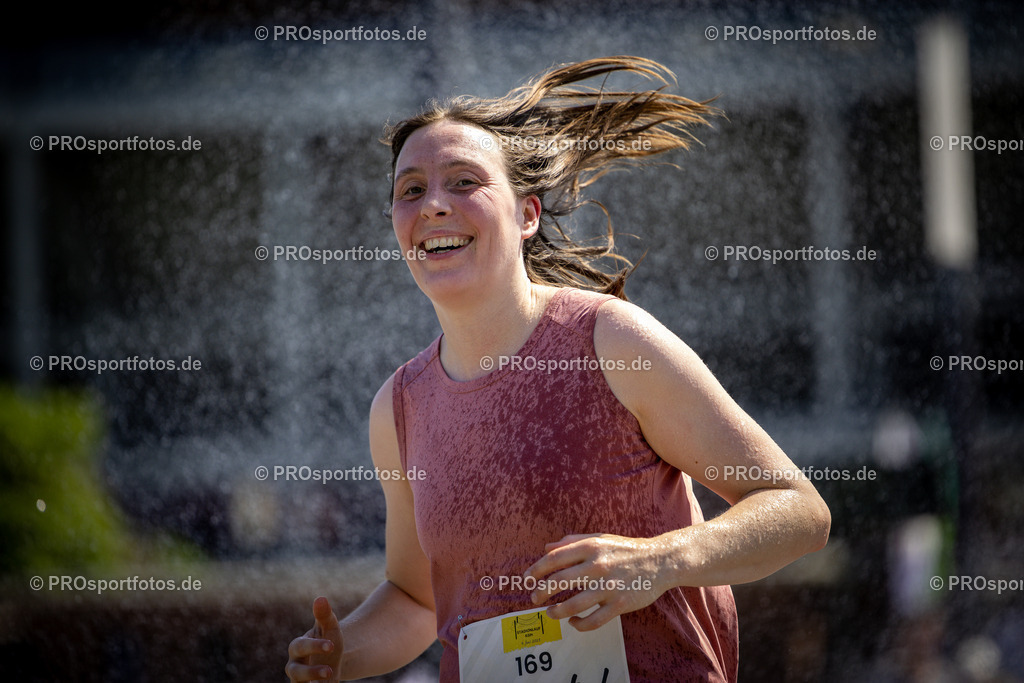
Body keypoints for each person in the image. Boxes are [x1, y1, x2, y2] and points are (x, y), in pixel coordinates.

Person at [286, 56, 830, 682]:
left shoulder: (610, 340)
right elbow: (417, 600)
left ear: (527, 215)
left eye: (464, 181)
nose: (433, 203)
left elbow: (799, 511)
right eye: (411, 190)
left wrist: (661, 560)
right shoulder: (398, 408)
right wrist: (340, 653)